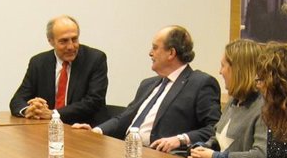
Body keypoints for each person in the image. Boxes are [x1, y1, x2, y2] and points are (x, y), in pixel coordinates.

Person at [77, 25, 219, 150]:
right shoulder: (148, 84)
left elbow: (215, 128)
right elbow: (124, 118)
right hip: (128, 151)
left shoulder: (200, 83)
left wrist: (180, 139)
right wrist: (96, 131)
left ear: (171, 53)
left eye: (155, 48)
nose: (150, 53)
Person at [186, 38, 267, 158]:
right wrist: (202, 148)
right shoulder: (234, 101)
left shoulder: (263, 107)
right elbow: (218, 137)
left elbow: (261, 156)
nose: (220, 72)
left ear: (237, 70)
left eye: (223, 66)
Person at [9, 15, 108, 125]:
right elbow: (17, 100)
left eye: (74, 39)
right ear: (51, 41)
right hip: (46, 128)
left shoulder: (95, 59)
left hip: (82, 127)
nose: (71, 46)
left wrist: (53, 114)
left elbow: (94, 101)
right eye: (64, 41)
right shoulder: (38, 63)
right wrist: (29, 110)